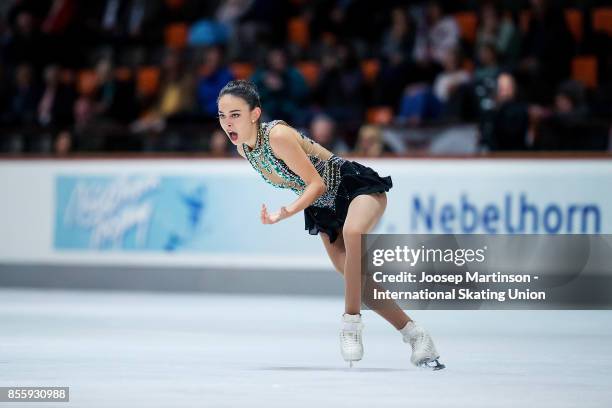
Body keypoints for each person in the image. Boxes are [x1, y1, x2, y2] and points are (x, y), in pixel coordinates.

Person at [217, 80, 444, 370]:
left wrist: (283, 213)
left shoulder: (278, 135)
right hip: (322, 208)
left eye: (235, 114)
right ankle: (417, 337)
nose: (227, 123)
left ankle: (351, 325)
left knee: (352, 233)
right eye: (222, 116)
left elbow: (316, 183)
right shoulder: (245, 150)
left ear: (255, 113)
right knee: (356, 279)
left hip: (353, 188)